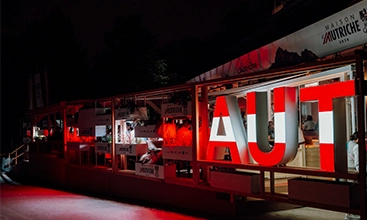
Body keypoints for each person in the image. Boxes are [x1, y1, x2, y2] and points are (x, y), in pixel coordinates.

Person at [344, 131, 361, 220]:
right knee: (356, 193)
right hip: (353, 170)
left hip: (347, 169)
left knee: (349, 194)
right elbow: (357, 162)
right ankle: (353, 213)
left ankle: (348, 213)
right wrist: (360, 173)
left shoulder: (348, 144)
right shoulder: (356, 147)